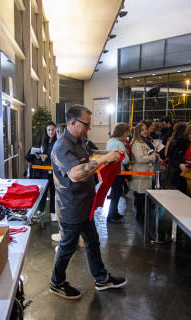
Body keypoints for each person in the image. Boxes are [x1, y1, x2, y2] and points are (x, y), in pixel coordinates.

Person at [49, 105, 126, 299]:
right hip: (71, 207)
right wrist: (105, 159)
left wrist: (108, 155)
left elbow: (91, 156)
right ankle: (56, 283)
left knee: (93, 242)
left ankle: (101, 278)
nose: (89, 128)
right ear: (73, 123)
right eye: (87, 124)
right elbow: (75, 174)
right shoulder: (62, 146)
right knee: (67, 248)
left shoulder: (81, 141)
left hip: (85, 205)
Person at [130, 122, 158, 222]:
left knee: (145, 196)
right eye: (142, 130)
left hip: (149, 172)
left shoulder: (148, 141)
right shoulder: (136, 143)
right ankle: (139, 216)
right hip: (141, 172)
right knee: (140, 196)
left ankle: (144, 215)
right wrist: (154, 157)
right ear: (137, 132)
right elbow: (140, 159)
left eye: (146, 129)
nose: (145, 131)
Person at [106, 123, 130, 224]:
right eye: (127, 133)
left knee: (116, 192)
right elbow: (125, 160)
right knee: (117, 193)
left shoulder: (110, 141)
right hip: (118, 172)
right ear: (123, 133)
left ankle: (114, 213)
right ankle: (111, 216)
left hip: (110, 171)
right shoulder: (120, 144)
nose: (127, 136)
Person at [36, 121, 57, 215]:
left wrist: (47, 157)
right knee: (43, 191)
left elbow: (58, 156)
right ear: (46, 131)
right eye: (48, 130)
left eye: (53, 129)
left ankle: (53, 212)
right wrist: (38, 155)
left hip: (53, 170)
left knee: (53, 191)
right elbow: (39, 151)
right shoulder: (43, 140)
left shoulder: (58, 141)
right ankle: (41, 209)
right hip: (43, 170)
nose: (51, 132)